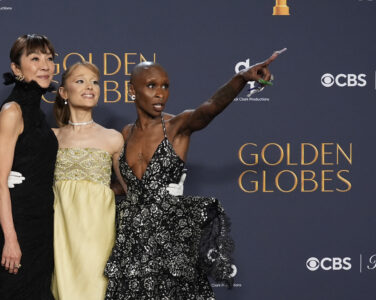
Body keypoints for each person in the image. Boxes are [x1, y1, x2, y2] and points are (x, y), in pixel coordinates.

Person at [104, 51, 281, 299]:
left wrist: (241, 78)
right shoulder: (124, 133)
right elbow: (128, 186)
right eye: (151, 85)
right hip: (132, 238)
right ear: (132, 90)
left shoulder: (178, 125)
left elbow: (209, 109)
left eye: (165, 86)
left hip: (170, 236)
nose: (160, 93)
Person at [51, 61, 184, 300]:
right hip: (59, 234)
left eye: (94, 82)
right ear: (63, 92)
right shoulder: (51, 138)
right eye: (80, 81)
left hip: (99, 233)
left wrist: (167, 186)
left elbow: (132, 187)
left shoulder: (112, 138)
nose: (89, 87)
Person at [0, 34, 57, 300]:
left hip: (42, 227)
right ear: (16, 68)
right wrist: (10, 239)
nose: (45, 65)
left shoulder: (39, 114)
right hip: (18, 227)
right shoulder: (13, 111)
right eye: (35, 58)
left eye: (49, 58)